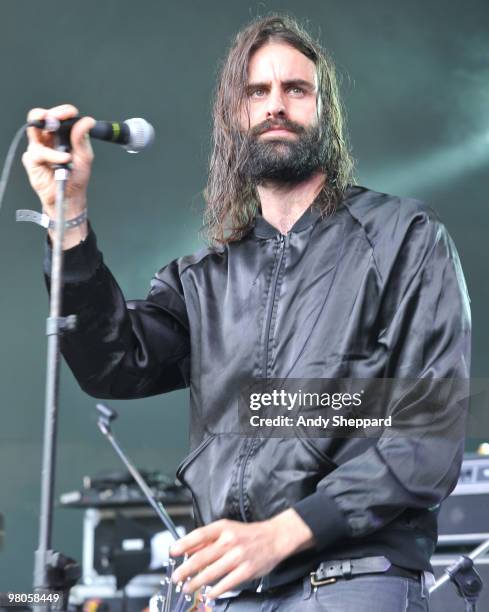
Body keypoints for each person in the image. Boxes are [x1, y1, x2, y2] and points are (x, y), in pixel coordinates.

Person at [23, 15, 470, 612]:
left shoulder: (403, 238)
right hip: (229, 591)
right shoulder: (201, 279)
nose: (275, 105)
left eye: (296, 89)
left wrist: (280, 534)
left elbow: (428, 435)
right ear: (234, 118)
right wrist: (68, 213)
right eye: (256, 92)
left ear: (325, 110)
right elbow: (112, 362)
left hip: (351, 579)